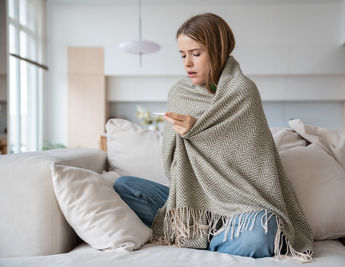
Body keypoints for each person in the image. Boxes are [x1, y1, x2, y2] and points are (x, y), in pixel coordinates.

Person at [113, 13, 313, 262]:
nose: (187, 63)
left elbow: (253, 159)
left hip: (240, 205)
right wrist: (185, 136)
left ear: (218, 50)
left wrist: (199, 130)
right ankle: (199, 231)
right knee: (125, 186)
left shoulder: (243, 91)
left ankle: (204, 239)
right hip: (191, 198)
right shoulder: (179, 92)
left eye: (196, 54)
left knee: (264, 230)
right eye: (183, 55)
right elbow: (171, 161)